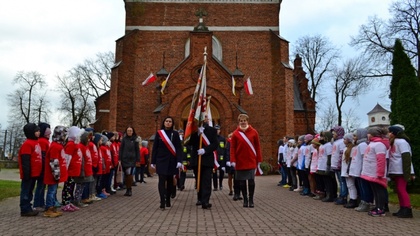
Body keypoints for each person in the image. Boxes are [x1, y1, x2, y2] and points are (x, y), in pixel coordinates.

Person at [230, 114, 262, 208]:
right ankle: (245, 200)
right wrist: (233, 160)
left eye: (244, 120)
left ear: (247, 121)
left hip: (251, 160)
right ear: (238, 122)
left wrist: (259, 160)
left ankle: (251, 199)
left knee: (251, 181)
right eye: (241, 121)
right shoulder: (235, 133)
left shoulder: (254, 132)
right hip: (240, 160)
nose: (243, 122)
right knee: (242, 182)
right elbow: (232, 148)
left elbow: (258, 147)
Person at [151, 116, 182, 210]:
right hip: (161, 160)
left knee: (169, 181)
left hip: (172, 161)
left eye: (170, 121)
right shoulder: (159, 133)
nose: (168, 123)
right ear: (164, 123)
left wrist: (179, 161)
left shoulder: (175, 134)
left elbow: (178, 148)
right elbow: (155, 148)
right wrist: (153, 161)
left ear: (172, 123)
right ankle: (162, 201)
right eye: (166, 121)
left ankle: (168, 199)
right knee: (161, 180)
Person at [189, 115, 219, 209]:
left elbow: (215, 144)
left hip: (207, 159)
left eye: (205, 117)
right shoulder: (193, 131)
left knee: (206, 181)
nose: (204, 119)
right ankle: (200, 198)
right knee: (199, 179)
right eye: (202, 117)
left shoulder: (212, 130)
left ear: (208, 119)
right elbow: (189, 142)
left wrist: (205, 150)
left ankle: (205, 201)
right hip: (197, 159)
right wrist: (197, 134)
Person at [361, 127, 389, 217]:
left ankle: (380, 208)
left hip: (376, 172)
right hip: (370, 172)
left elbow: (381, 160)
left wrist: (380, 172)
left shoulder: (379, 145)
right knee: (374, 190)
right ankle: (377, 206)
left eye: (369, 133)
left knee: (379, 190)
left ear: (373, 134)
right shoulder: (372, 144)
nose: (367, 135)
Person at [388, 125, 414, 218]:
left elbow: (406, 156)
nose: (388, 133)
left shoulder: (402, 142)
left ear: (394, 133)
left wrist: (407, 172)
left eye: (390, 132)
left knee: (402, 189)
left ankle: (407, 208)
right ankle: (402, 208)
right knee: (399, 190)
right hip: (396, 170)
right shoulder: (393, 142)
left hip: (402, 170)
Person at [18, 123, 42, 216]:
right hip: (29, 174)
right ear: (31, 132)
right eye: (37, 131)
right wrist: (27, 174)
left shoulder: (37, 142)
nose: (39, 132)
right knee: (26, 191)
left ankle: (29, 207)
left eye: (39, 131)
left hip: (35, 173)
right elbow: (25, 160)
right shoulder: (27, 144)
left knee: (30, 191)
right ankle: (24, 209)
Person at [43, 125, 67, 217]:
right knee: (51, 191)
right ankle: (49, 208)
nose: (65, 137)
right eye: (64, 135)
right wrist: (56, 174)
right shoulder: (55, 146)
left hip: (55, 174)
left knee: (53, 191)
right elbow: (54, 162)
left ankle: (52, 207)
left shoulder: (59, 146)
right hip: (52, 174)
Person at [33, 122, 51, 212]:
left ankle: (40, 203)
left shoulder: (45, 141)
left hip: (44, 168)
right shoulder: (43, 141)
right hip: (43, 168)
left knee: (42, 186)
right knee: (40, 186)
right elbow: (43, 156)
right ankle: (37, 203)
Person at [119, 126, 140, 197]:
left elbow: (137, 150)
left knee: (130, 174)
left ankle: (129, 189)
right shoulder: (124, 140)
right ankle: (127, 188)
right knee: (126, 174)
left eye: (130, 131)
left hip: (132, 160)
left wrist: (138, 159)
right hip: (124, 159)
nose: (129, 132)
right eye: (128, 131)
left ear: (133, 131)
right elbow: (121, 149)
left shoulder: (135, 140)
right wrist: (120, 158)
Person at [213, 124, 226, 191]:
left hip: (221, 158)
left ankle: (220, 183)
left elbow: (223, 148)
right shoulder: (212, 138)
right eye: (216, 129)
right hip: (215, 158)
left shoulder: (222, 138)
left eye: (218, 129)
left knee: (221, 172)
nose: (217, 131)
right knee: (214, 172)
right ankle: (215, 186)